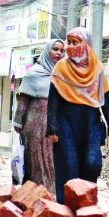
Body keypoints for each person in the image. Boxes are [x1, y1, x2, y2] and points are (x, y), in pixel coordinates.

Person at [46, 27, 109, 202]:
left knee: (92, 163)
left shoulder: (98, 69)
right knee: (69, 166)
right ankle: (66, 208)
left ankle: (86, 200)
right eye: (68, 42)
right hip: (65, 124)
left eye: (75, 43)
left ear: (86, 45)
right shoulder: (61, 67)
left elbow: (106, 99)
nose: (70, 47)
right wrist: (52, 127)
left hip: (91, 122)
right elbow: (53, 101)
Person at [13, 38, 65, 192]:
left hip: (55, 124)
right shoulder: (33, 74)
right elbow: (23, 101)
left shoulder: (63, 75)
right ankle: (36, 194)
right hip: (35, 124)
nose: (59, 53)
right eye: (55, 49)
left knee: (53, 161)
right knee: (36, 160)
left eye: (62, 51)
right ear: (47, 51)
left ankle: (51, 195)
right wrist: (18, 122)